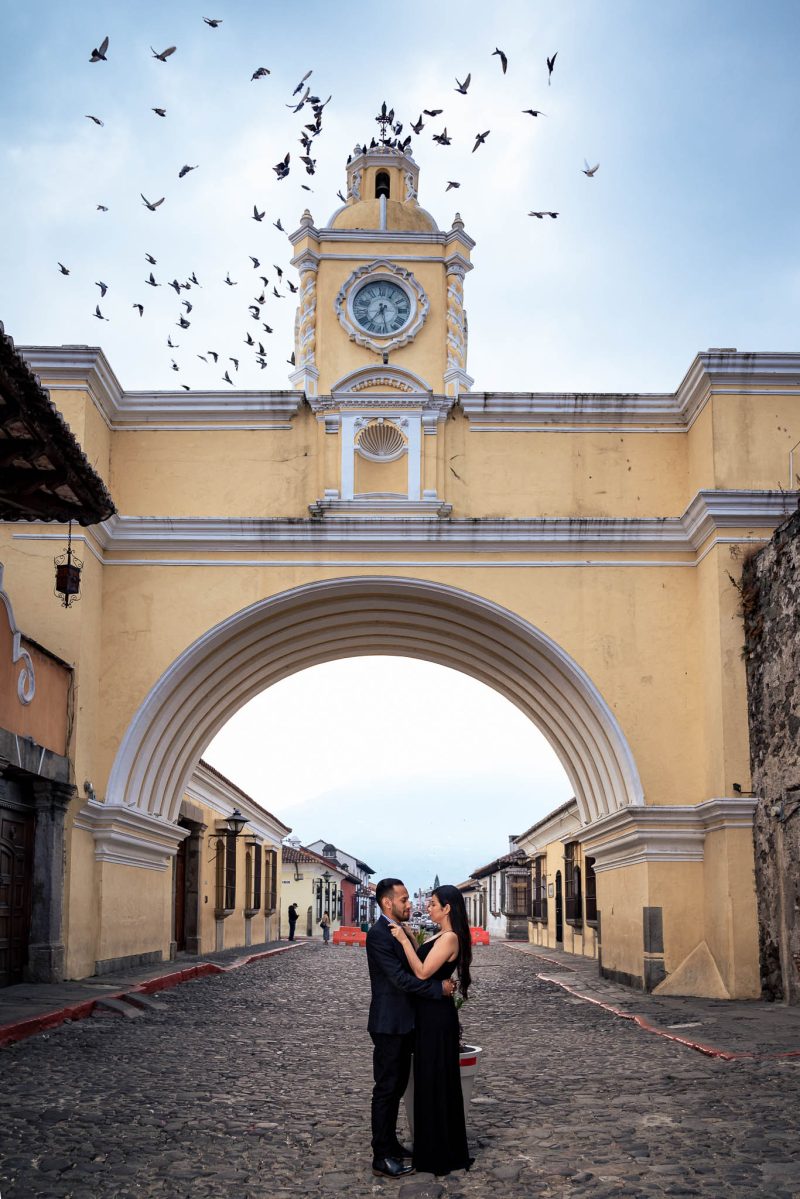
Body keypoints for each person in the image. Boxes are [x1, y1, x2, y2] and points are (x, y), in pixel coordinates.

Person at [366, 878, 455, 1181]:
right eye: (404, 900)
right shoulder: (378, 935)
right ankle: (381, 1156)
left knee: (398, 1087)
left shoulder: (398, 931)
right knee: (386, 1089)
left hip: (406, 1024)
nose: (410, 904)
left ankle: (391, 1143)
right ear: (387, 903)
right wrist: (438, 989)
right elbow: (401, 980)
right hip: (389, 1024)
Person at [390, 884, 473, 1177]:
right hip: (429, 1013)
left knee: (436, 1079)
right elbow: (426, 961)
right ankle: (433, 1146)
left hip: (437, 1017)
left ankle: (440, 1152)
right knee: (429, 1078)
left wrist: (402, 941)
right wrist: (411, 936)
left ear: (448, 908)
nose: (428, 907)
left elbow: (423, 972)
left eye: (434, 903)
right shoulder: (440, 934)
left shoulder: (450, 938)